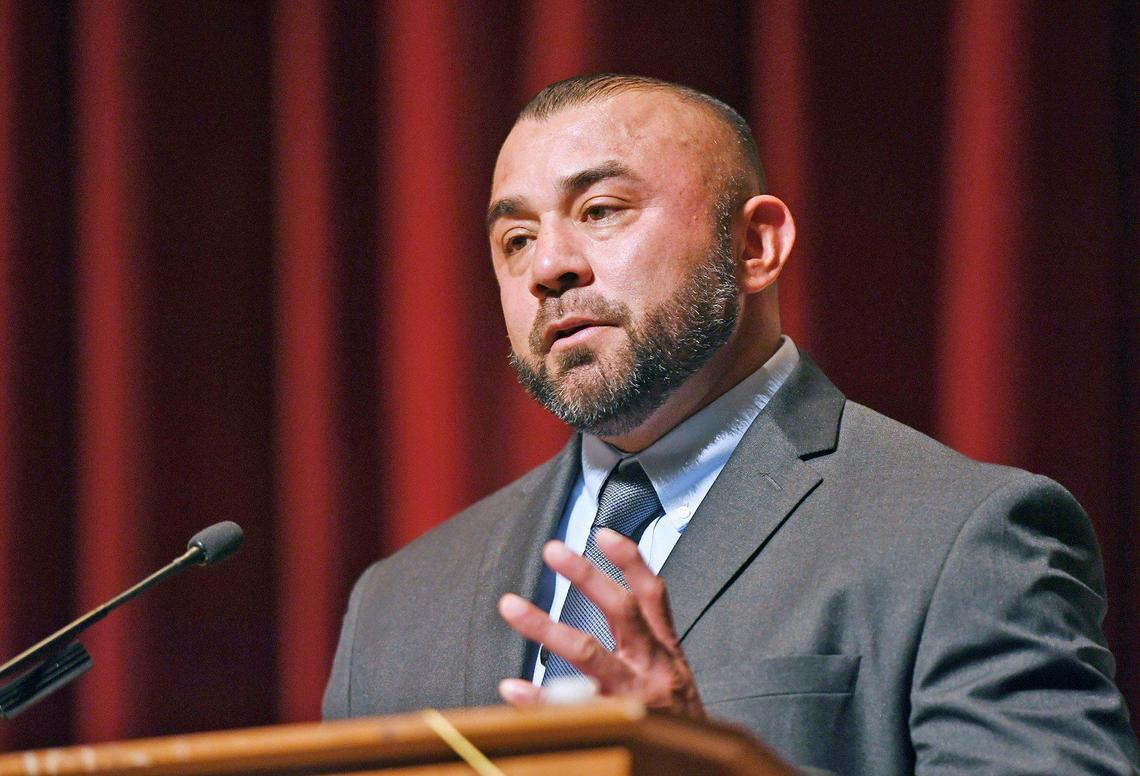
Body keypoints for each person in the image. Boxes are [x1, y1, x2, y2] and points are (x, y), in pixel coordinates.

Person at [323, 74, 1139, 774]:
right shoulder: (396, 608)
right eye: (516, 239)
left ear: (755, 245)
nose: (548, 267)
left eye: (600, 210)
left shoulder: (962, 540)